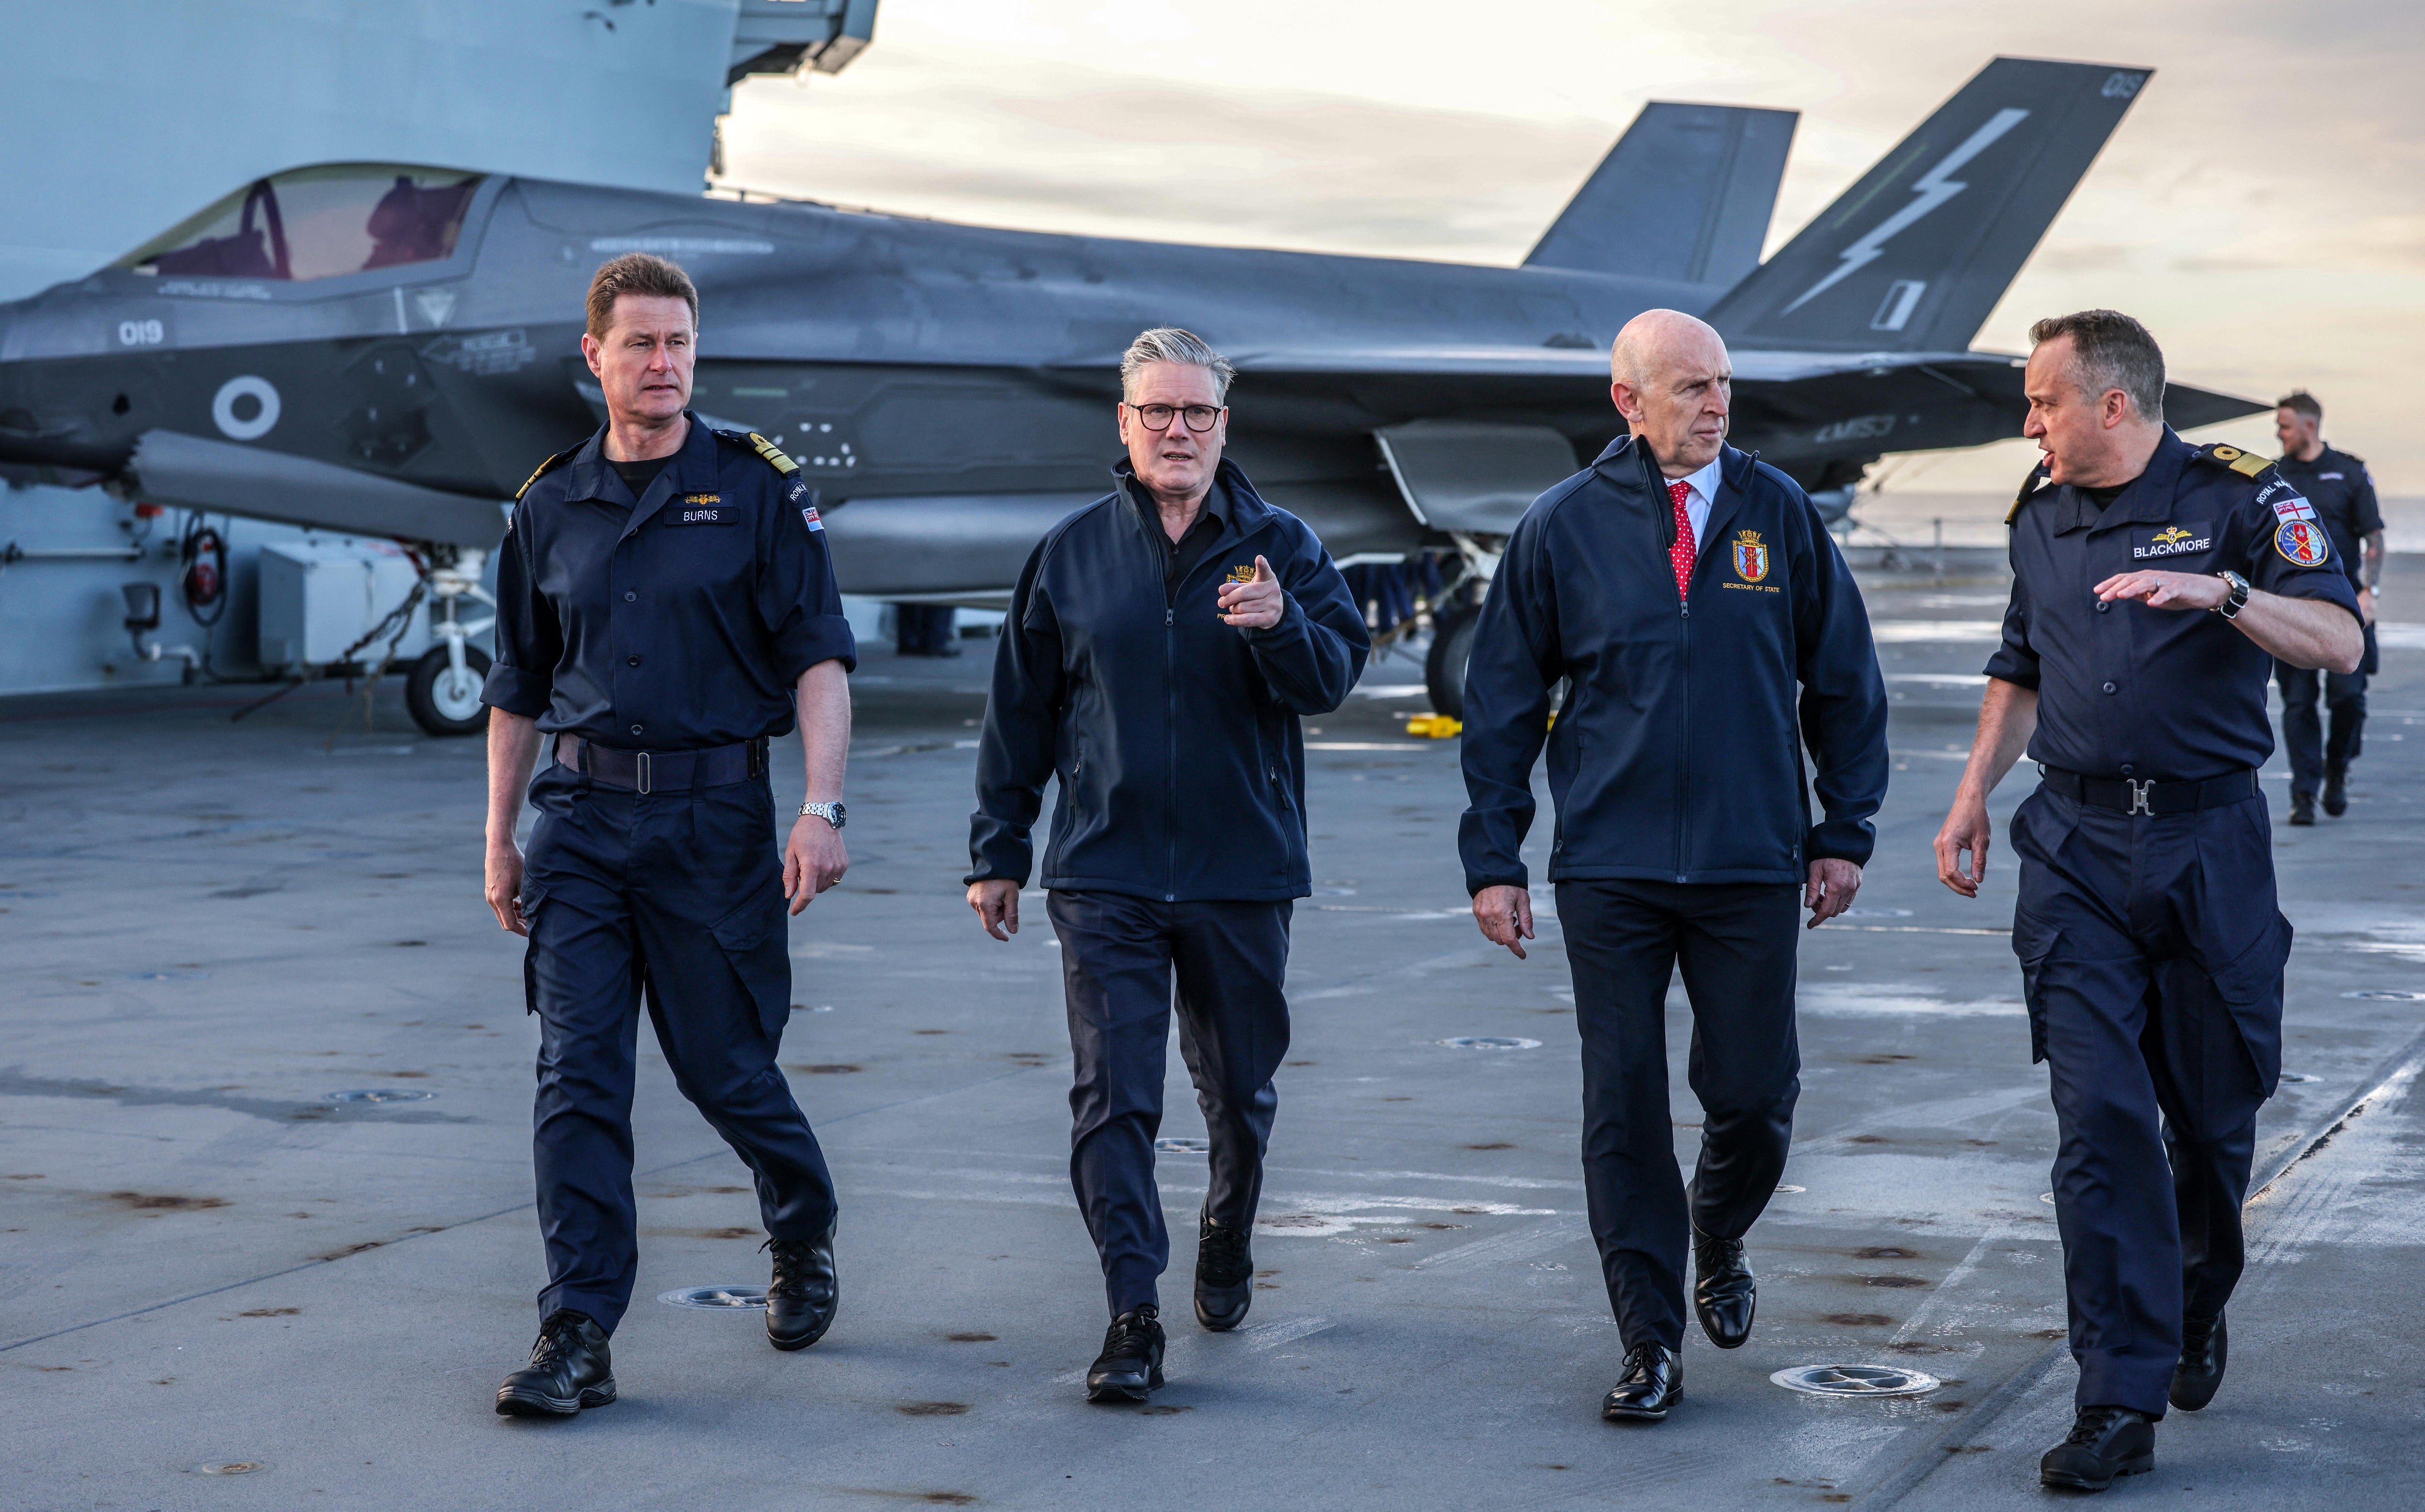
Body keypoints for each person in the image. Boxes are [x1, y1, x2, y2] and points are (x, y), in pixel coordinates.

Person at [1932, 312, 2361, 1491]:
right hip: (2069, 847)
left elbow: (2334, 637)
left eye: (2041, 402)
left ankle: (2192, 1292)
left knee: (2213, 1125)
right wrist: (1971, 794)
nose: (2027, 423)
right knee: (2100, 1120)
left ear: (2111, 402)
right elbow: (2019, 667)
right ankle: (2116, 1393)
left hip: (2206, 845)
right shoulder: (2037, 512)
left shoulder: (2245, 497)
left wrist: (2221, 594)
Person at [1459, 309, 1889, 1425]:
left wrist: (1844, 827)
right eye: (1689, 387)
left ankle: (1721, 1227)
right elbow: (1502, 703)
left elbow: (1844, 678)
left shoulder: (1776, 511)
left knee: (1753, 1094)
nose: (1714, 405)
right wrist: (1493, 854)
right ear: (1627, 401)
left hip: (1751, 860)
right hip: (1610, 865)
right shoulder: (1561, 527)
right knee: (1623, 1103)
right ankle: (1648, 1337)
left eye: (1723, 385)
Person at [478, 252, 858, 1416]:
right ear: (592, 356)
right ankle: (577, 1330)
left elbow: (820, 660)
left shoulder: (753, 489)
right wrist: (498, 837)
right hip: (581, 823)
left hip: (713, 821)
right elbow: (518, 685)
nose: (663, 363)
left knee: (726, 1071)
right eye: (640, 343)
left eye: (679, 343)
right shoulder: (549, 504)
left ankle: (802, 1226)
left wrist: (821, 806)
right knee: (575, 1073)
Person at [965, 327, 1369, 1402]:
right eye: (1158, 413)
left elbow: (1333, 677)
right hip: (1106, 872)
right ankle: (1131, 1312)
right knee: (1114, 1097)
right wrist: (998, 847)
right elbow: (1021, 712)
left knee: (1237, 1091)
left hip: (1242, 872)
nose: (1177, 431)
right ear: (1125, 423)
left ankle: (1227, 1223)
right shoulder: (1071, 552)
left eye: (1197, 413)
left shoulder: (1282, 545)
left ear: (1223, 426)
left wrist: (1280, 627)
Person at [2270, 391, 2383, 823]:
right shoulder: (2274, 477)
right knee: (2299, 704)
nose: (2279, 435)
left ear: (2309, 427)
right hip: (2292, 606)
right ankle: (2305, 794)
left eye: (2284, 426)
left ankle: (2338, 769)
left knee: (2349, 701)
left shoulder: (2349, 471)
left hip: (2347, 604)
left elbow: (2373, 538)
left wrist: (2370, 592)